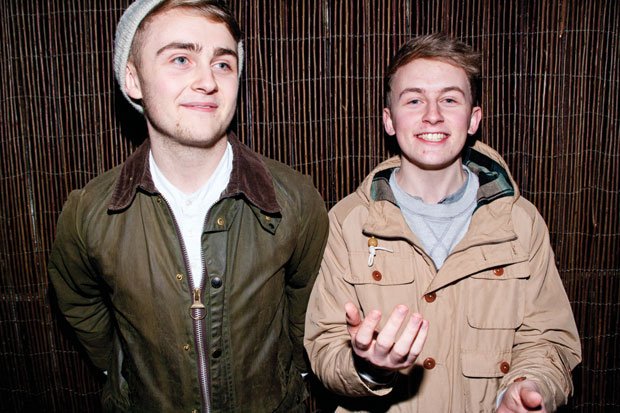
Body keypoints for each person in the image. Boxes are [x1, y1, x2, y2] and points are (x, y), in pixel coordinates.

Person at [48, 0, 328, 411]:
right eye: (181, 59)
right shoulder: (91, 212)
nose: (208, 81)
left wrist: (294, 374)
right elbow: (79, 300)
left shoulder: (294, 199)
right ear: (133, 79)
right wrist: (124, 371)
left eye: (223, 63)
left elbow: (309, 301)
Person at [304, 33, 581, 412]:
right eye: (414, 100)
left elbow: (547, 339)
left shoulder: (521, 222)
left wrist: (527, 386)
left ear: (474, 119)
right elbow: (324, 344)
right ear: (389, 120)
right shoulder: (349, 222)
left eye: (449, 99)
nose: (432, 115)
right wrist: (369, 368)